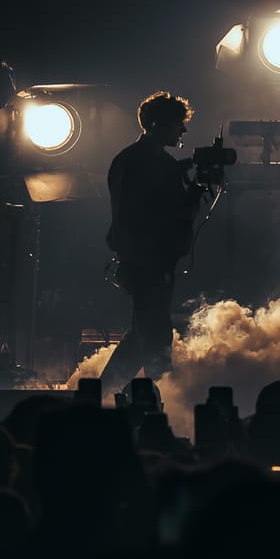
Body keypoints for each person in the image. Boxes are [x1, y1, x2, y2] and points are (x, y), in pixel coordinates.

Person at [102, 92, 202, 386]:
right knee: (156, 334)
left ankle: (100, 394)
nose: (183, 130)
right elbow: (144, 214)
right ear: (159, 124)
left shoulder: (155, 162)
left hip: (154, 261)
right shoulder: (136, 163)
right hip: (145, 262)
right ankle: (162, 393)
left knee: (142, 334)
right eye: (178, 123)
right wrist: (189, 191)